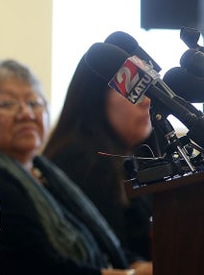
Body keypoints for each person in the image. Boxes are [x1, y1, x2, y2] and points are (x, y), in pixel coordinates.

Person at [0, 59, 153, 275]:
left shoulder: (43, 170)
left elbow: (98, 238)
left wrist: (135, 268)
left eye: (35, 103)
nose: (26, 114)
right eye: (7, 104)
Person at [43, 54, 157, 260]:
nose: (147, 101)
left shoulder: (132, 155)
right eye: (134, 91)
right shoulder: (83, 159)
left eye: (148, 88)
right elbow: (111, 260)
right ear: (96, 97)